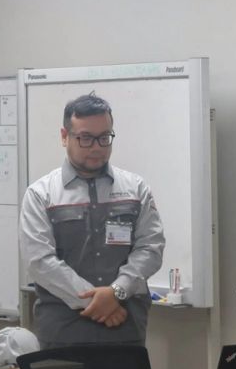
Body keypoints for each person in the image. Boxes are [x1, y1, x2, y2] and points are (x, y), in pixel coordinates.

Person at [20, 92, 165, 347]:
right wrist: (97, 302)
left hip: (124, 327)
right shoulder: (41, 194)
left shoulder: (135, 188)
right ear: (65, 137)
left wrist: (117, 291)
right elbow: (40, 261)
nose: (97, 146)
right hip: (64, 331)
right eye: (86, 138)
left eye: (104, 137)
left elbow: (151, 248)